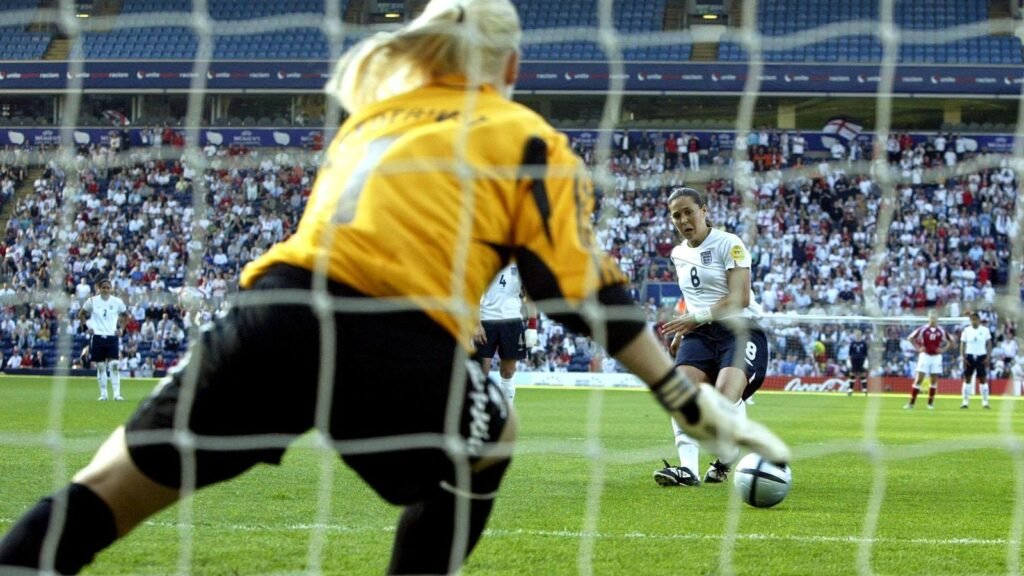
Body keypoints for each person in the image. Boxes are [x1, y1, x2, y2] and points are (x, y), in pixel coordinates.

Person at [0, 2, 789, 574]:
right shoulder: (522, 136)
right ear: (509, 69)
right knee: (494, 441)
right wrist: (685, 400)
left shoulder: (370, 122)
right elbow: (578, 290)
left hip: (268, 315)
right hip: (390, 331)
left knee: (105, 488)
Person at [653, 187, 771, 487]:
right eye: (676, 215)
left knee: (721, 401)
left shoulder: (729, 243)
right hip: (701, 333)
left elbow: (740, 297)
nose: (683, 220)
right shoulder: (678, 253)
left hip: (740, 330)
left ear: (704, 210)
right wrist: (686, 330)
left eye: (688, 212)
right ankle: (688, 470)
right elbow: (693, 296)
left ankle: (727, 457)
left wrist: (696, 317)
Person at [473, 263, 537, 403]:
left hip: (512, 321)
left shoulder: (520, 262)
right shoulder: (486, 257)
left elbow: (530, 295)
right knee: (481, 370)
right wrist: (477, 324)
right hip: (486, 320)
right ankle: (481, 408)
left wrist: (532, 326)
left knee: (508, 371)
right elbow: (473, 291)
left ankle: (508, 409)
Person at [78, 278, 128, 401]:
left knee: (114, 365)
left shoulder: (117, 302)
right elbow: (81, 314)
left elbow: (125, 316)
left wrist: (121, 329)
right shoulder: (92, 301)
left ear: (111, 289)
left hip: (112, 337)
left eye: (108, 287)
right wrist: (85, 328)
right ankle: (104, 394)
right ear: (99, 289)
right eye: (103, 287)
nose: (106, 290)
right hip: (97, 337)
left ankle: (117, 394)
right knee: (101, 366)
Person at [903, 310, 953, 410]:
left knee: (933, 380)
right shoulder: (923, 329)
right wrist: (918, 348)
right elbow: (910, 338)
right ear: (928, 318)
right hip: (925, 356)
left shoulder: (941, 331)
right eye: (931, 318)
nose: (932, 320)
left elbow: (951, 341)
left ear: (937, 319)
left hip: (936, 357)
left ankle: (930, 403)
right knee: (919, 379)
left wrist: (943, 350)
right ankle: (911, 403)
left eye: (934, 318)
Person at [959, 311, 993, 409]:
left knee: (983, 379)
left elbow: (989, 343)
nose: (974, 321)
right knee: (967, 378)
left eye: (975, 319)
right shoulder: (966, 330)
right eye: (972, 320)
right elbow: (962, 344)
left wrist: (988, 357)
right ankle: (965, 401)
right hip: (969, 356)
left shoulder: (985, 330)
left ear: (979, 320)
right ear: (970, 321)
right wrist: (962, 357)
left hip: (981, 356)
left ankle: (985, 402)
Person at [847, 328, 868, 396]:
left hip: (861, 360)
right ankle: (850, 389)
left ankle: (864, 390)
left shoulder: (863, 343)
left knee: (862, 374)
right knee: (852, 374)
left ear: (861, 335)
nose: (858, 336)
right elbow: (850, 353)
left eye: (859, 335)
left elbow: (865, 353)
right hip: (854, 360)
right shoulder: (853, 343)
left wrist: (866, 361)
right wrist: (849, 361)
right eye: (856, 335)